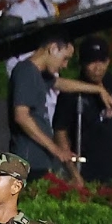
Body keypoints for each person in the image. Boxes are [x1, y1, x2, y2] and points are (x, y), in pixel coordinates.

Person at [53, 36, 112, 185]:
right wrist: (73, 171)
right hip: (87, 168)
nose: (97, 68)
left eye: (102, 61)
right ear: (82, 64)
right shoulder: (71, 93)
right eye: (92, 62)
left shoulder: (111, 83)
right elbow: (60, 132)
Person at [8, 31, 80, 180]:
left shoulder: (38, 74)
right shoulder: (25, 71)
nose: (65, 65)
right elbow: (21, 116)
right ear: (53, 48)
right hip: (28, 163)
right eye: (65, 58)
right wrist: (56, 150)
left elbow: (62, 84)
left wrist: (99, 90)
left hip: (39, 161)